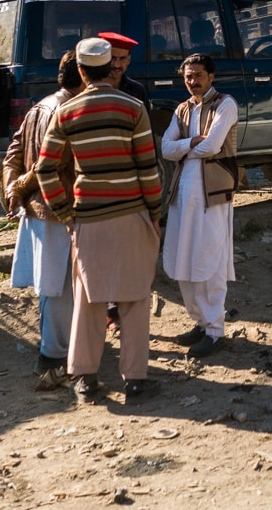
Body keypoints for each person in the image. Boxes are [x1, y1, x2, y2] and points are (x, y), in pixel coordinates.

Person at [37, 37, 163, 405]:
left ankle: (86, 379)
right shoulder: (133, 107)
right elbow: (148, 169)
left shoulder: (67, 112)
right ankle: (136, 380)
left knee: (88, 300)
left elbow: (45, 169)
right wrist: (154, 215)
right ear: (111, 66)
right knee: (135, 299)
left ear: (79, 70)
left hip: (87, 219)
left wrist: (65, 213)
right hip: (132, 213)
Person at [5, 51, 82, 390]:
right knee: (59, 287)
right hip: (57, 207)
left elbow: (14, 152)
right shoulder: (67, 110)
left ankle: (55, 351)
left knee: (50, 287)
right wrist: (20, 187)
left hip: (37, 209)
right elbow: (48, 165)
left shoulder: (39, 106)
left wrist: (13, 189)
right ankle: (53, 358)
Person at [159, 54, 238, 359]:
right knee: (183, 259)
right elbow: (166, 149)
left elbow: (213, 146)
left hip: (212, 196)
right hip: (182, 195)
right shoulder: (182, 109)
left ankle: (215, 331)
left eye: (198, 75)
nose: (193, 81)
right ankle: (200, 323)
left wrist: (183, 147)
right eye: (188, 76)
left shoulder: (225, 104)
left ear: (211, 76)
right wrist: (191, 144)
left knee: (209, 261)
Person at [98, 31, 150, 336]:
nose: (117, 65)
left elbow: (146, 144)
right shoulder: (89, 89)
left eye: (122, 59)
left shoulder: (137, 92)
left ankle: (118, 312)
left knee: (126, 253)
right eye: (112, 58)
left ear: (129, 60)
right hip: (97, 185)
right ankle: (106, 312)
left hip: (129, 184)